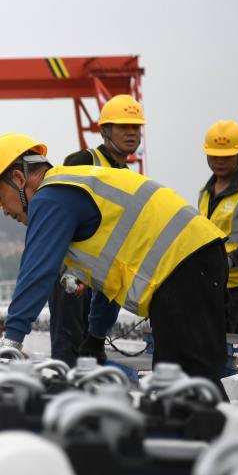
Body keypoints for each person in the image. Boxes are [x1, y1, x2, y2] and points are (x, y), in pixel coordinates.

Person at [0, 133, 228, 389]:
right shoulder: (68, 192)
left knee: (189, 382)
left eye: (1, 198)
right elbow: (109, 278)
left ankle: (216, 416)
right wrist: (96, 335)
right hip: (189, 263)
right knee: (174, 380)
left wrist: (11, 344)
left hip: (185, 263)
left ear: (19, 179)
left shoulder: (51, 196)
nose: (4, 211)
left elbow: (36, 273)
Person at [48, 94, 145, 366]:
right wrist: (70, 271)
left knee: (92, 353)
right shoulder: (83, 161)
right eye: (123, 127)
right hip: (73, 274)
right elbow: (61, 215)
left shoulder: (131, 178)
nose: (131, 133)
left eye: (135, 127)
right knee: (68, 352)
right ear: (104, 131)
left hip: (103, 277)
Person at [198, 120, 238, 335]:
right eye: (214, 156)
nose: (219, 162)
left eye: (226, 157)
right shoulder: (205, 193)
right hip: (216, 286)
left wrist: (231, 260)